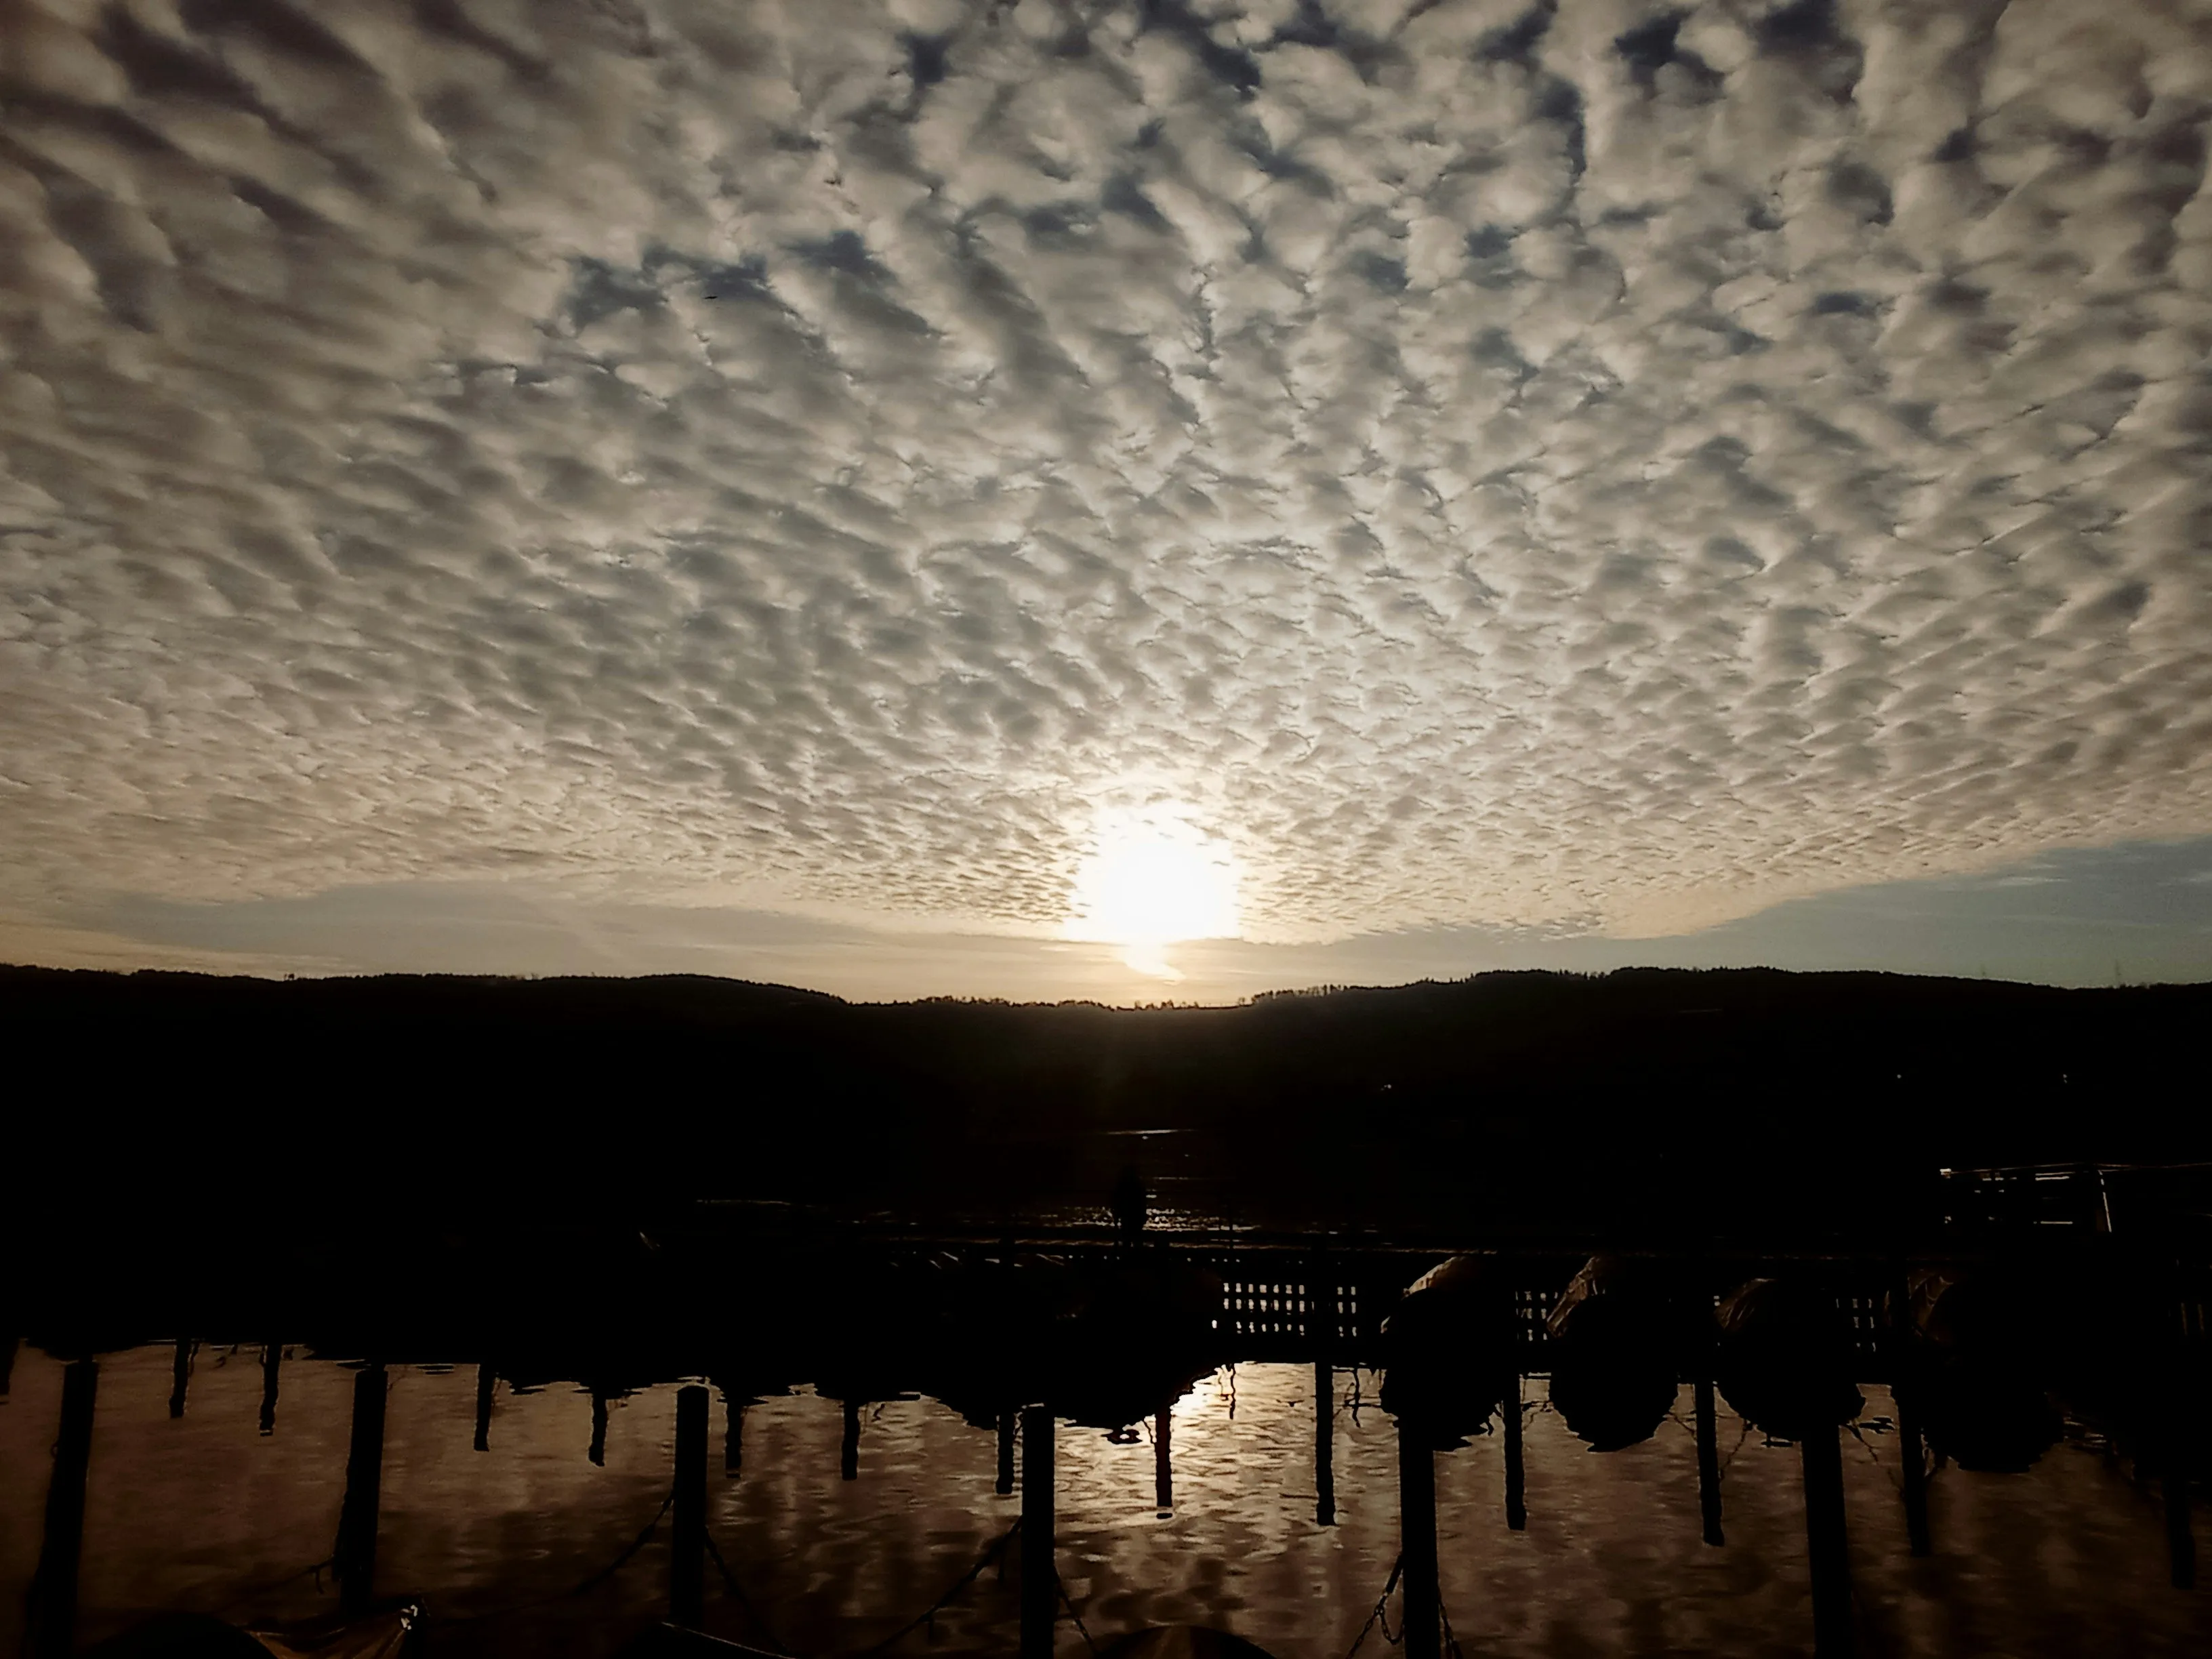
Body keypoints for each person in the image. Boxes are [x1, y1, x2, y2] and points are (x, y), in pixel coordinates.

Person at [1111, 1165, 1148, 1246]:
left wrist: (1116, 1216)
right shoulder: (1138, 1185)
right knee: (1136, 1238)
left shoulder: (1122, 1184)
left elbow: (1117, 1200)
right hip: (1135, 1215)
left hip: (1126, 1215)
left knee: (1127, 1239)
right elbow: (1142, 1201)